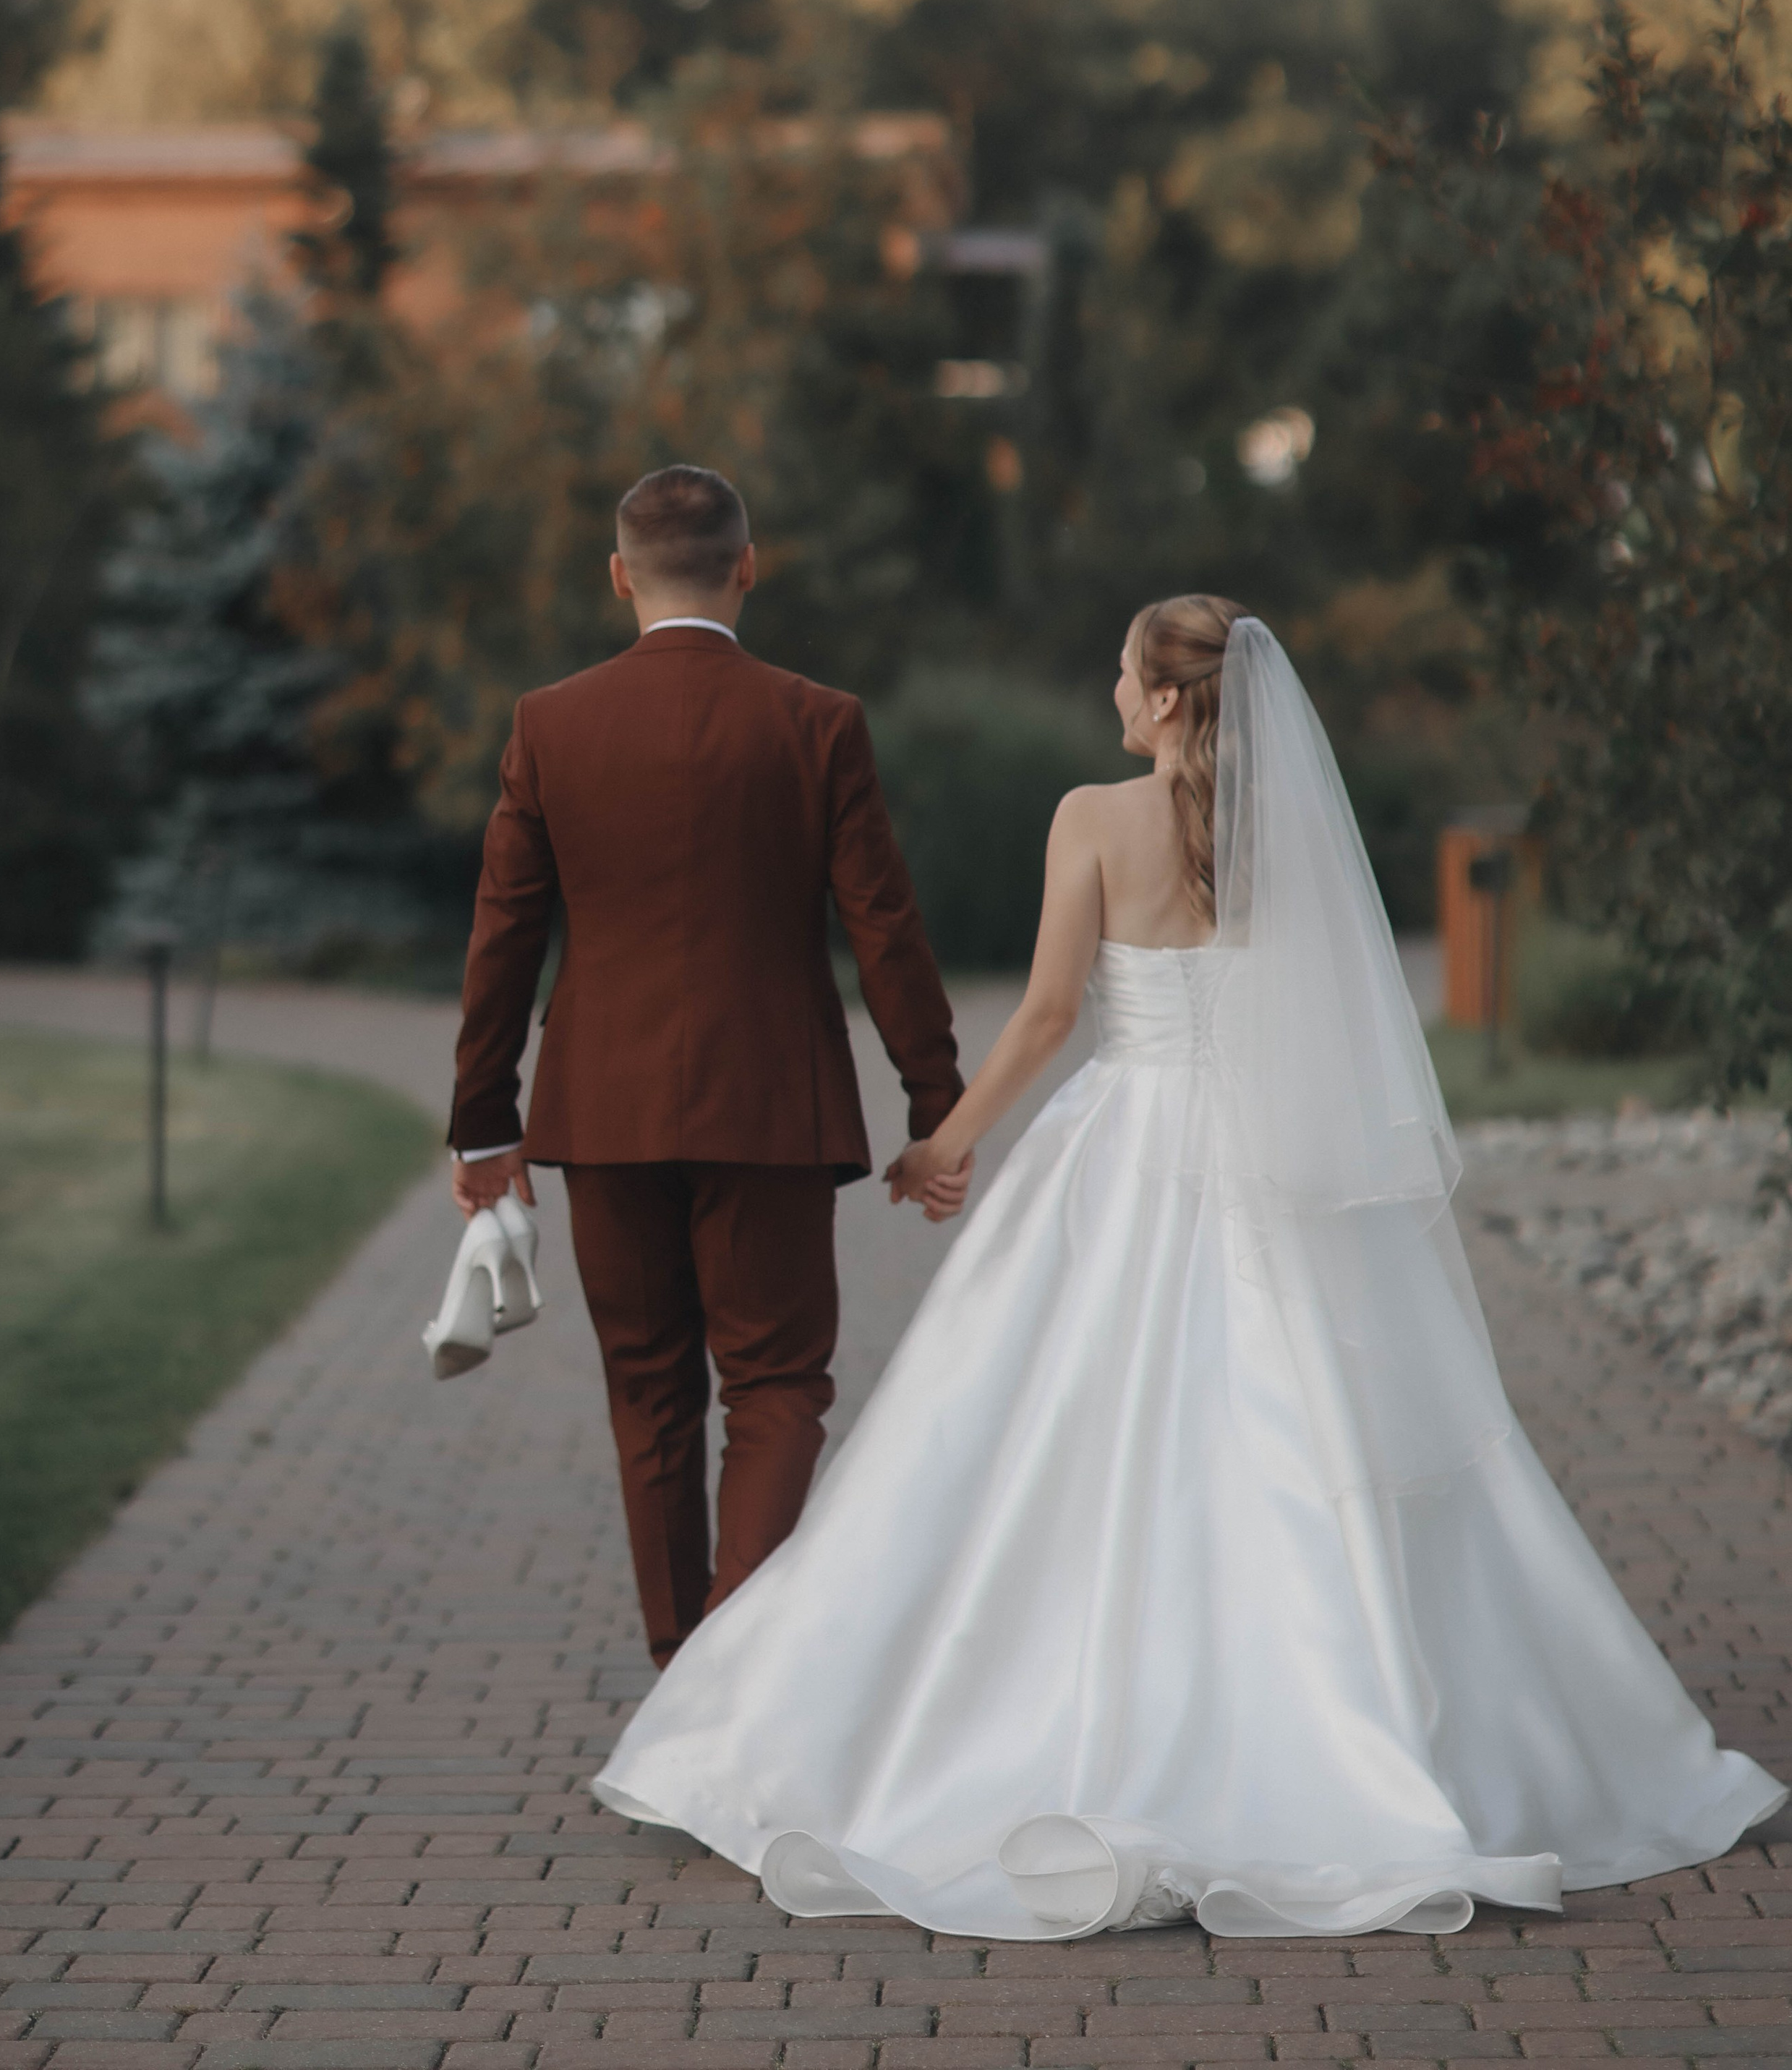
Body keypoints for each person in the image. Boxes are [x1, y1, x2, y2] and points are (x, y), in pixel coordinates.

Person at [594, 597, 1785, 1940]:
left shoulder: (1091, 820)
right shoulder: (1278, 835)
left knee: (1041, 1433)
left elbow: (1049, 1015)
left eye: (1121, 671)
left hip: (1123, 1151)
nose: (1109, 689)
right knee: (1306, 1429)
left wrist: (946, 1146)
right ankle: (1385, 1736)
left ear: (1165, 701)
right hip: (1271, 1168)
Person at [446, 464, 963, 1667]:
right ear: (747, 565)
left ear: (618, 576)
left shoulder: (551, 723)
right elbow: (884, 925)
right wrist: (935, 1103)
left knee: (651, 1396)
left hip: (606, 1111)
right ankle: (737, 1689)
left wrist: (484, 1124)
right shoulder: (817, 720)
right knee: (778, 1389)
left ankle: (686, 1676)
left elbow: (503, 932)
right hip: (772, 1111)